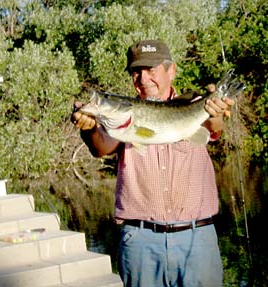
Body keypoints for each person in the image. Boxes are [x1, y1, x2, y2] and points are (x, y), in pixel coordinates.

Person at [71, 39, 234, 287]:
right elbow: (100, 147)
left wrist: (217, 109)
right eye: (136, 71)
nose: (143, 78)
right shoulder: (118, 120)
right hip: (140, 240)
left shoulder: (194, 103)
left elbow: (215, 127)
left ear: (171, 70)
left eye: (151, 70)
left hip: (197, 238)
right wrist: (89, 128)